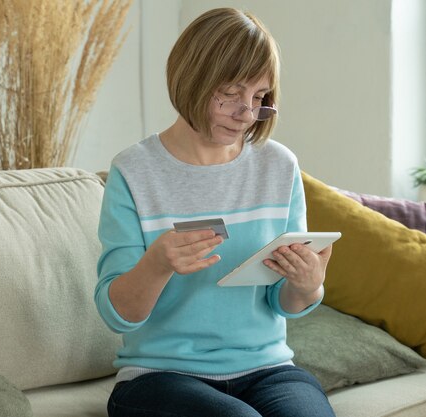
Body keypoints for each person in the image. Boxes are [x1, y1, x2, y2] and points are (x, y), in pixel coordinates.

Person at [95, 7, 335, 417]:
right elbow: (117, 316)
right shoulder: (134, 172)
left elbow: (284, 302)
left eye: (259, 98)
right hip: (158, 377)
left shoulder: (279, 167)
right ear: (193, 78)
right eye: (230, 94)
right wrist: (157, 264)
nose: (245, 113)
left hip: (268, 368)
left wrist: (309, 284)